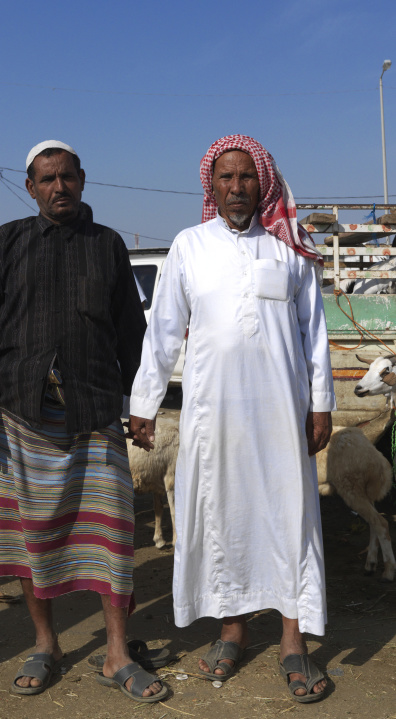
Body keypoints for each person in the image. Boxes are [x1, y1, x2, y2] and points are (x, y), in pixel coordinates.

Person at [0, 141, 167, 702]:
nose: (58, 187)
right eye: (46, 180)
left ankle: (117, 650)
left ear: (82, 179)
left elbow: (130, 334)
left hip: (95, 411)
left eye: (66, 177)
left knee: (113, 535)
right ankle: (46, 643)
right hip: (23, 412)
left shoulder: (108, 246)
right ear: (30, 188)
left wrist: (141, 404)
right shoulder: (8, 243)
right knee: (31, 536)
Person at [129, 135, 335, 703]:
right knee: (222, 516)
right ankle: (233, 631)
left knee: (289, 516)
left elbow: (314, 336)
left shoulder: (290, 248)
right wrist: (143, 404)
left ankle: (293, 642)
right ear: (210, 186)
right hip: (211, 416)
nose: (236, 187)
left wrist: (321, 406)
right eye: (226, 178)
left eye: (246, 177)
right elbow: (163, 331)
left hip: (280, 413)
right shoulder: (189, 246)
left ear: (262, 182)